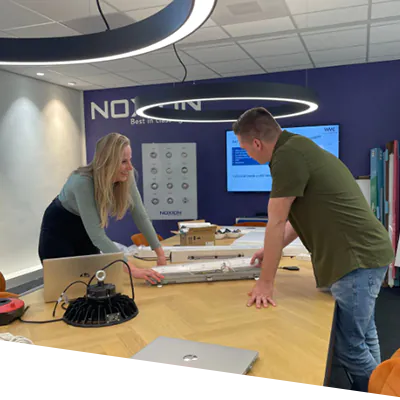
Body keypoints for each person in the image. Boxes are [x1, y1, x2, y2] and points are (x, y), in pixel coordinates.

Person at [232, 107, 394, 399]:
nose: (248, 155)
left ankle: (383, 394)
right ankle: (379, 386)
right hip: (367, 253)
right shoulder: (297, 147)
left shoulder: (287, 157)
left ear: (256, 143)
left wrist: (265, 283)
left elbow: (276, 221)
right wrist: (270, 251)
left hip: (355, 259)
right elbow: (298, 219)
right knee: (363, 333)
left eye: (245, 149)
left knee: (350, 348)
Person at [38, 132, 165, 284]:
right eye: (123, 161)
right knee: (62, 284)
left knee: (93, 280)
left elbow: (140, 215)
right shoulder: (82, 182)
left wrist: (160, 254)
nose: (130, 167)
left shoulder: (126, 176)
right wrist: (133, 270)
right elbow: (97, 236)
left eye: (130, 159)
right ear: (107, 162)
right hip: (59, 227)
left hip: (84, 228)